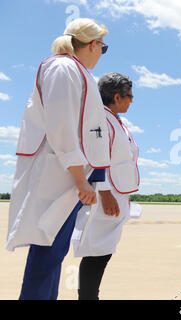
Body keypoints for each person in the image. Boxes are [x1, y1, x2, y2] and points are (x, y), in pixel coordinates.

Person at [7, 18, 110, 300]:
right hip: (60, 173)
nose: (102, 52)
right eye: (103, 46)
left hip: (67, 172)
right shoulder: (63, 68)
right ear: (93, 44)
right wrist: (80, 179)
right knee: (47, 249)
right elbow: (61, 127)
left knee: (53, 251)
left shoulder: (74, 70)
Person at [72, 72, 139, 300]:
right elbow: (95, 157)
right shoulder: (100, 119)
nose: (132, 100)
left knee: (102, 250)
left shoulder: (113, 119)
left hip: (115, 194)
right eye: (130, 95)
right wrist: (105, 191)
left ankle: (89, 296)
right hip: (105, 196)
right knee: (96, 251)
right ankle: (88, 297)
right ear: (117, 97)